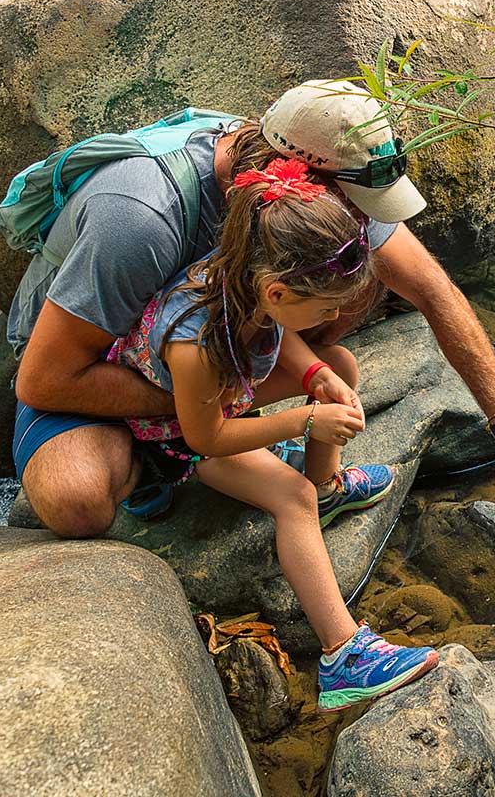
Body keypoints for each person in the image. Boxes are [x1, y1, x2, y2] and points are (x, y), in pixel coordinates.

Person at [10, 79, 495, 538]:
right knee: (75, 502)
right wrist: (206, 410)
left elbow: (432, 291)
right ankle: (168, 456)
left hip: (203, 347)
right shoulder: (140, 217)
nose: (363, 218)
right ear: (301, 177)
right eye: (357, 206)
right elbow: (43, 381)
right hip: (96, 358)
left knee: (356, 284)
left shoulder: (318, 176)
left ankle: (209, 443)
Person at [106, 153, 436, 709]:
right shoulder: (195, 339)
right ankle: (343, 655)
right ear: (279, 294)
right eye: (326, 307)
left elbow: (282, 337)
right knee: (292, 497)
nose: (333, 316)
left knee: (344, 369)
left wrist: (315, 373)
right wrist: (306, 418)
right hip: (178, 437)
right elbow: (205, 437)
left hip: (227, 392)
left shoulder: (251, 274)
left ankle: (331, 489)